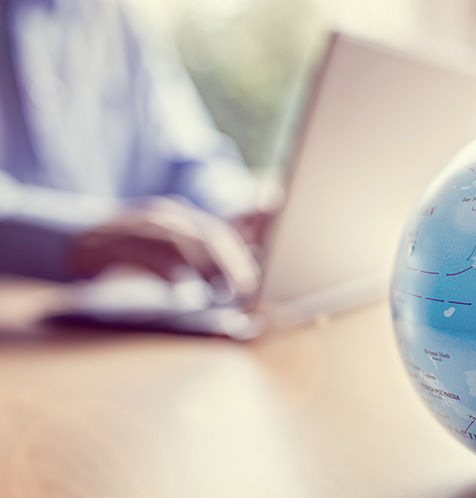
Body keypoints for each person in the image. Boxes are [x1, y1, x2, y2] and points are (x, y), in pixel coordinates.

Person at [0, 0, 274, 310]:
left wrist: (235, 211)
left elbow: (188, 157)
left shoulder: (121, 24)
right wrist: (84, 235)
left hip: (109, 321)